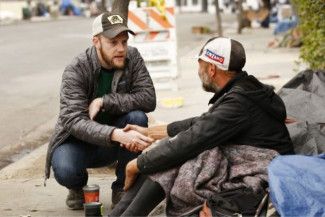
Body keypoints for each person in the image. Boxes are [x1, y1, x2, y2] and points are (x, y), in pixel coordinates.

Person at [109, 37, 294, 216]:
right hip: (261, 164)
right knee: (166, 157)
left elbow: (194, 138)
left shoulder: (238, 102)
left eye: (200, 65)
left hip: (263, 173)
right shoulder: (245, 90)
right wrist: (150, 132)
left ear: (212, 69)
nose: (199, 71)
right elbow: (203, 122)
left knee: (175, 159)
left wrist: (136, 164)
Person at [44, 10, 156, 210]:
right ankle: (77, 187)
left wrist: (105, 101)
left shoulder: (133, 58)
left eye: (124, 41)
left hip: (113, 145)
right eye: (113, 43)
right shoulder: (76, 69)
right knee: (65, 169)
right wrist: (115, 134)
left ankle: (123, 188)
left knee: (137, 117)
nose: (121, 48)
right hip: (78, 143)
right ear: (96, 41)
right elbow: (73, 121)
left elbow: (148, 99)